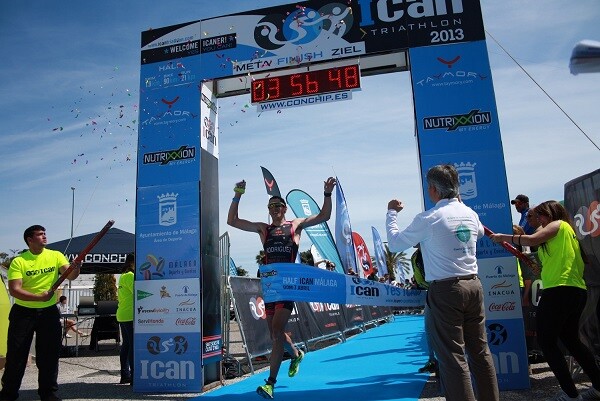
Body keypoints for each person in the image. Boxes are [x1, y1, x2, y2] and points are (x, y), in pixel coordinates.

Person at [386, 164, 499, 401]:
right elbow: (477, 233)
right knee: (480, 352)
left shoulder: (429, 218)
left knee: (452, 357)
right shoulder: (470, 213)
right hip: (473, 285)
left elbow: (395, 244)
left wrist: (391, 213)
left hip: (446, 290)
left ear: (434, 190)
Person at [227, 177, 336, 399]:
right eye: (271, 206)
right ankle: (296, 354)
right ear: (269, 210)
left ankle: (270, 383)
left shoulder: (294, 225)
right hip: (269, 287)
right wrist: (238, 194)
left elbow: (324, 216)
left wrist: (327, 193)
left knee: (276, 333)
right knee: (274, 333)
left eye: (278, 206)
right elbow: (232, 221)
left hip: (288, 286)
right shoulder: (263, 229)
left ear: (284, 208)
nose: (275, 209)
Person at [491, 200, 600, 401]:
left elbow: (531, 240)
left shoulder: (559, 225)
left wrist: (502, 237)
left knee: (547, 342)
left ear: (550, 214)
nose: (537, 220)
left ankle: (570, 393)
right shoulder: (563, 234)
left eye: (540, 216)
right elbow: (548, 258)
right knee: (572, 341)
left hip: (560, 290)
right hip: (572, 291)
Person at [0, 225, 80, 401]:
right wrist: (38, 298)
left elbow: (71, 275)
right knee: (16, 355)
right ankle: (8, 393)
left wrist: (76, 267)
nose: (44, 236)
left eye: (45, 233)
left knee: (49, 354)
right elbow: (14, 290)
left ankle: (48, 392)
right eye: (40, 234)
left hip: (49, 312)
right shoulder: (19, 261)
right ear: (30, 239)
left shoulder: (56, 255)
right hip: (23, 312)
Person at [116, 253, 134, 385]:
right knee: (132, 345)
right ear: (132, 262)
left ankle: (125, 374)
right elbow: (139, 293)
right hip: (130, 314)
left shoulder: (123, 276)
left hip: (123, 314)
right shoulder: (130, 276)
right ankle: (134, 376)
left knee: (127, 345)